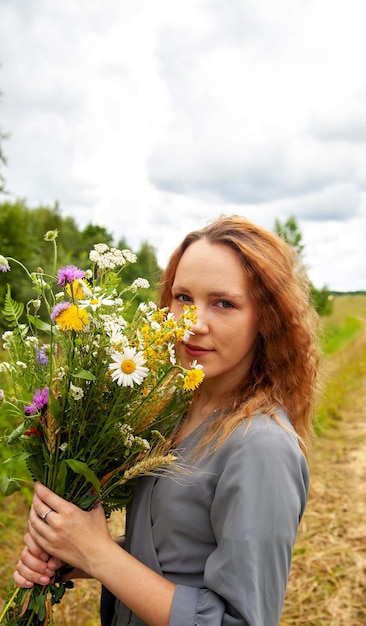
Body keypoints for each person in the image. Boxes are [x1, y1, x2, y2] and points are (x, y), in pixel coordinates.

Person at [13, 214, 320, 626]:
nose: (192, 323)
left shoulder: (260, 445)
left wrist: (98, 554)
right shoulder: (172, 413)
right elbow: (174, 552)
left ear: (267, 318)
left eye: (224, 303)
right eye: (183, 298)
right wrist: (71, 553)